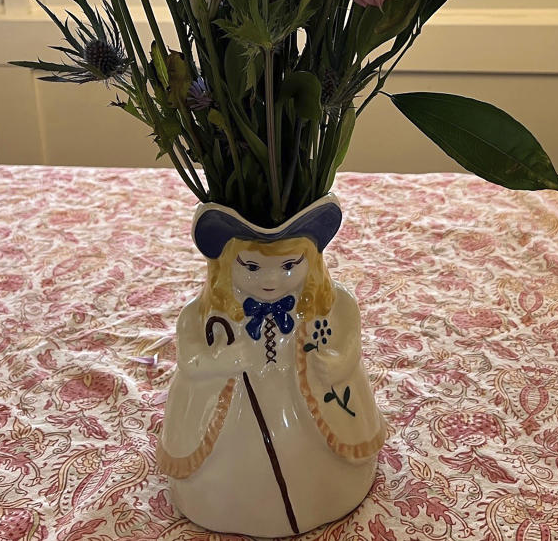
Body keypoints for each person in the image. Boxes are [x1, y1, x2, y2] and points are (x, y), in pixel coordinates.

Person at [157, 195, 386, 537]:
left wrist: (337, 363)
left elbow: (349, 344)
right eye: (250, 267)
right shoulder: (201, 316)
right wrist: (222, 361)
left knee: (318, 470)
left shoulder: (333, 307)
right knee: (234, 474)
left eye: (290, 265)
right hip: (233, 414)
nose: (272, 280)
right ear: (225, 265)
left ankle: (325, 490)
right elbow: (191, 363)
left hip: (307, 404)